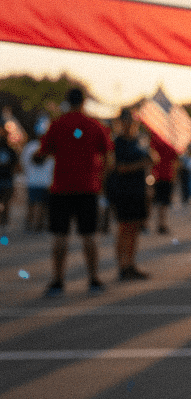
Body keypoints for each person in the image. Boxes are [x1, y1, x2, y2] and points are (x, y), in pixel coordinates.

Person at [33, 87, 113, 297]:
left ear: (67, 102)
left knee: (60, 237)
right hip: (87, 188)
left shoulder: (57, 124)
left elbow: (42, 153)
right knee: (89, 236)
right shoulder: (95, 125)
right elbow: (109, 158)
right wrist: (100, 178)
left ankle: (58, 281)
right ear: (84, 102)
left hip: (61, 188)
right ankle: (94, 279)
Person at [111, 108, 156, 280]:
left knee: (135, 228)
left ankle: (130, 264)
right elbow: (119, 168)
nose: (129, 125)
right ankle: (122, 265)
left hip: (139, 190)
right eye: (126, 121)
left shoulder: (139, 141)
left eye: (132, 121)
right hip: (123, 190)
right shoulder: (118, 143)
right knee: (124, 228)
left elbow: (150, 159)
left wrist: (150, 159)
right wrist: (141, 164)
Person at [22, 123, 54, 233]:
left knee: (32, 203)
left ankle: (29, 223)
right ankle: (39, 224)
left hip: (32, 181)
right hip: (46, 181)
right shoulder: (49, 146)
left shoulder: (30, 146)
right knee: (43, 205)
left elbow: (24, 163)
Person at [149, 132, 179, 234]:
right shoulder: (172, 140)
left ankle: (148, 223)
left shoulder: (155, 139)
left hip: (157, 174)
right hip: (167, 175)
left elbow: (152, 157)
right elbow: (175, 160)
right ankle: (162, 224)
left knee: (154, 199)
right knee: (164, 202)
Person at [0, 123, 20, 228]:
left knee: (6, 202)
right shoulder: (11, 150)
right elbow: (16, 166)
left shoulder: (11, 151)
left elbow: (16, 166)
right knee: (6, 202)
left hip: (7, 180)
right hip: (7, 180)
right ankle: (4, 220)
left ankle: (4, 220)